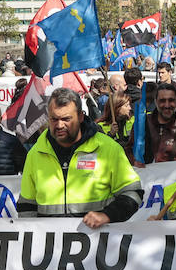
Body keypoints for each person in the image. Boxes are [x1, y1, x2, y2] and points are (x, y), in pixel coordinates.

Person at [17, 87, 143, 227]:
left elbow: (133, 193)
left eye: (66, 119)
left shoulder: (108, 149)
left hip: (97, 245)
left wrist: (108, 215)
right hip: (50, 246)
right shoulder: (35, 153)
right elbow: (26, 205)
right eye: (54, 119)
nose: (59, 125)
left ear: (81, 116)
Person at [142, 83, 176, 164]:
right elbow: (130, 152)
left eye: (171, 100)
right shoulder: (142, 124)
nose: (167, 105)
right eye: (162, 101)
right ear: (156, 102)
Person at [99, 92, 137, 163]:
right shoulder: (100, 126)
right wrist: (111, 135)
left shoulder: (133, 121)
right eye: (126, 106)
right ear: (117, 107)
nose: (130, 108)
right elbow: (101, 149)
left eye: (129, 105)